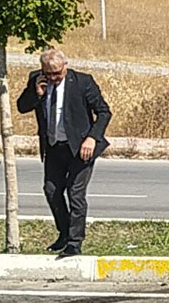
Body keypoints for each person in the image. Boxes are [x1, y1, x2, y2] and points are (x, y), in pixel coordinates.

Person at [16, 49, 112, 257]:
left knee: (75, 192)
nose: (52, 78)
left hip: (80, 148)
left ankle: (74, 242)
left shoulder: (82, 82)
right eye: (48, 73)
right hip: (53, 146)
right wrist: (37, 93)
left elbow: (104, 112)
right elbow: (22, 107)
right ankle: (64, 233)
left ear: (65, 67)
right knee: (51, 190)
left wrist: (92, 138)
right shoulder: (36, 79)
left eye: (56, 73)